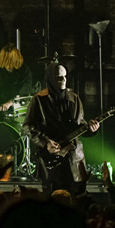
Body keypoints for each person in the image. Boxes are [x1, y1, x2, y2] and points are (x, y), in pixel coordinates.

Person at [23, 61, 98, 194]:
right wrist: (46, 142)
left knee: (77, 198)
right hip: (51, 160)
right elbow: (28, 126)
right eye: (59, 77)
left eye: (65, 77)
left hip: (74, 159)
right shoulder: (39, 100)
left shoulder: (74, 99)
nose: (63, 80)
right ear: (51, 79)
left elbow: (79, 124)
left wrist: (91, 129)